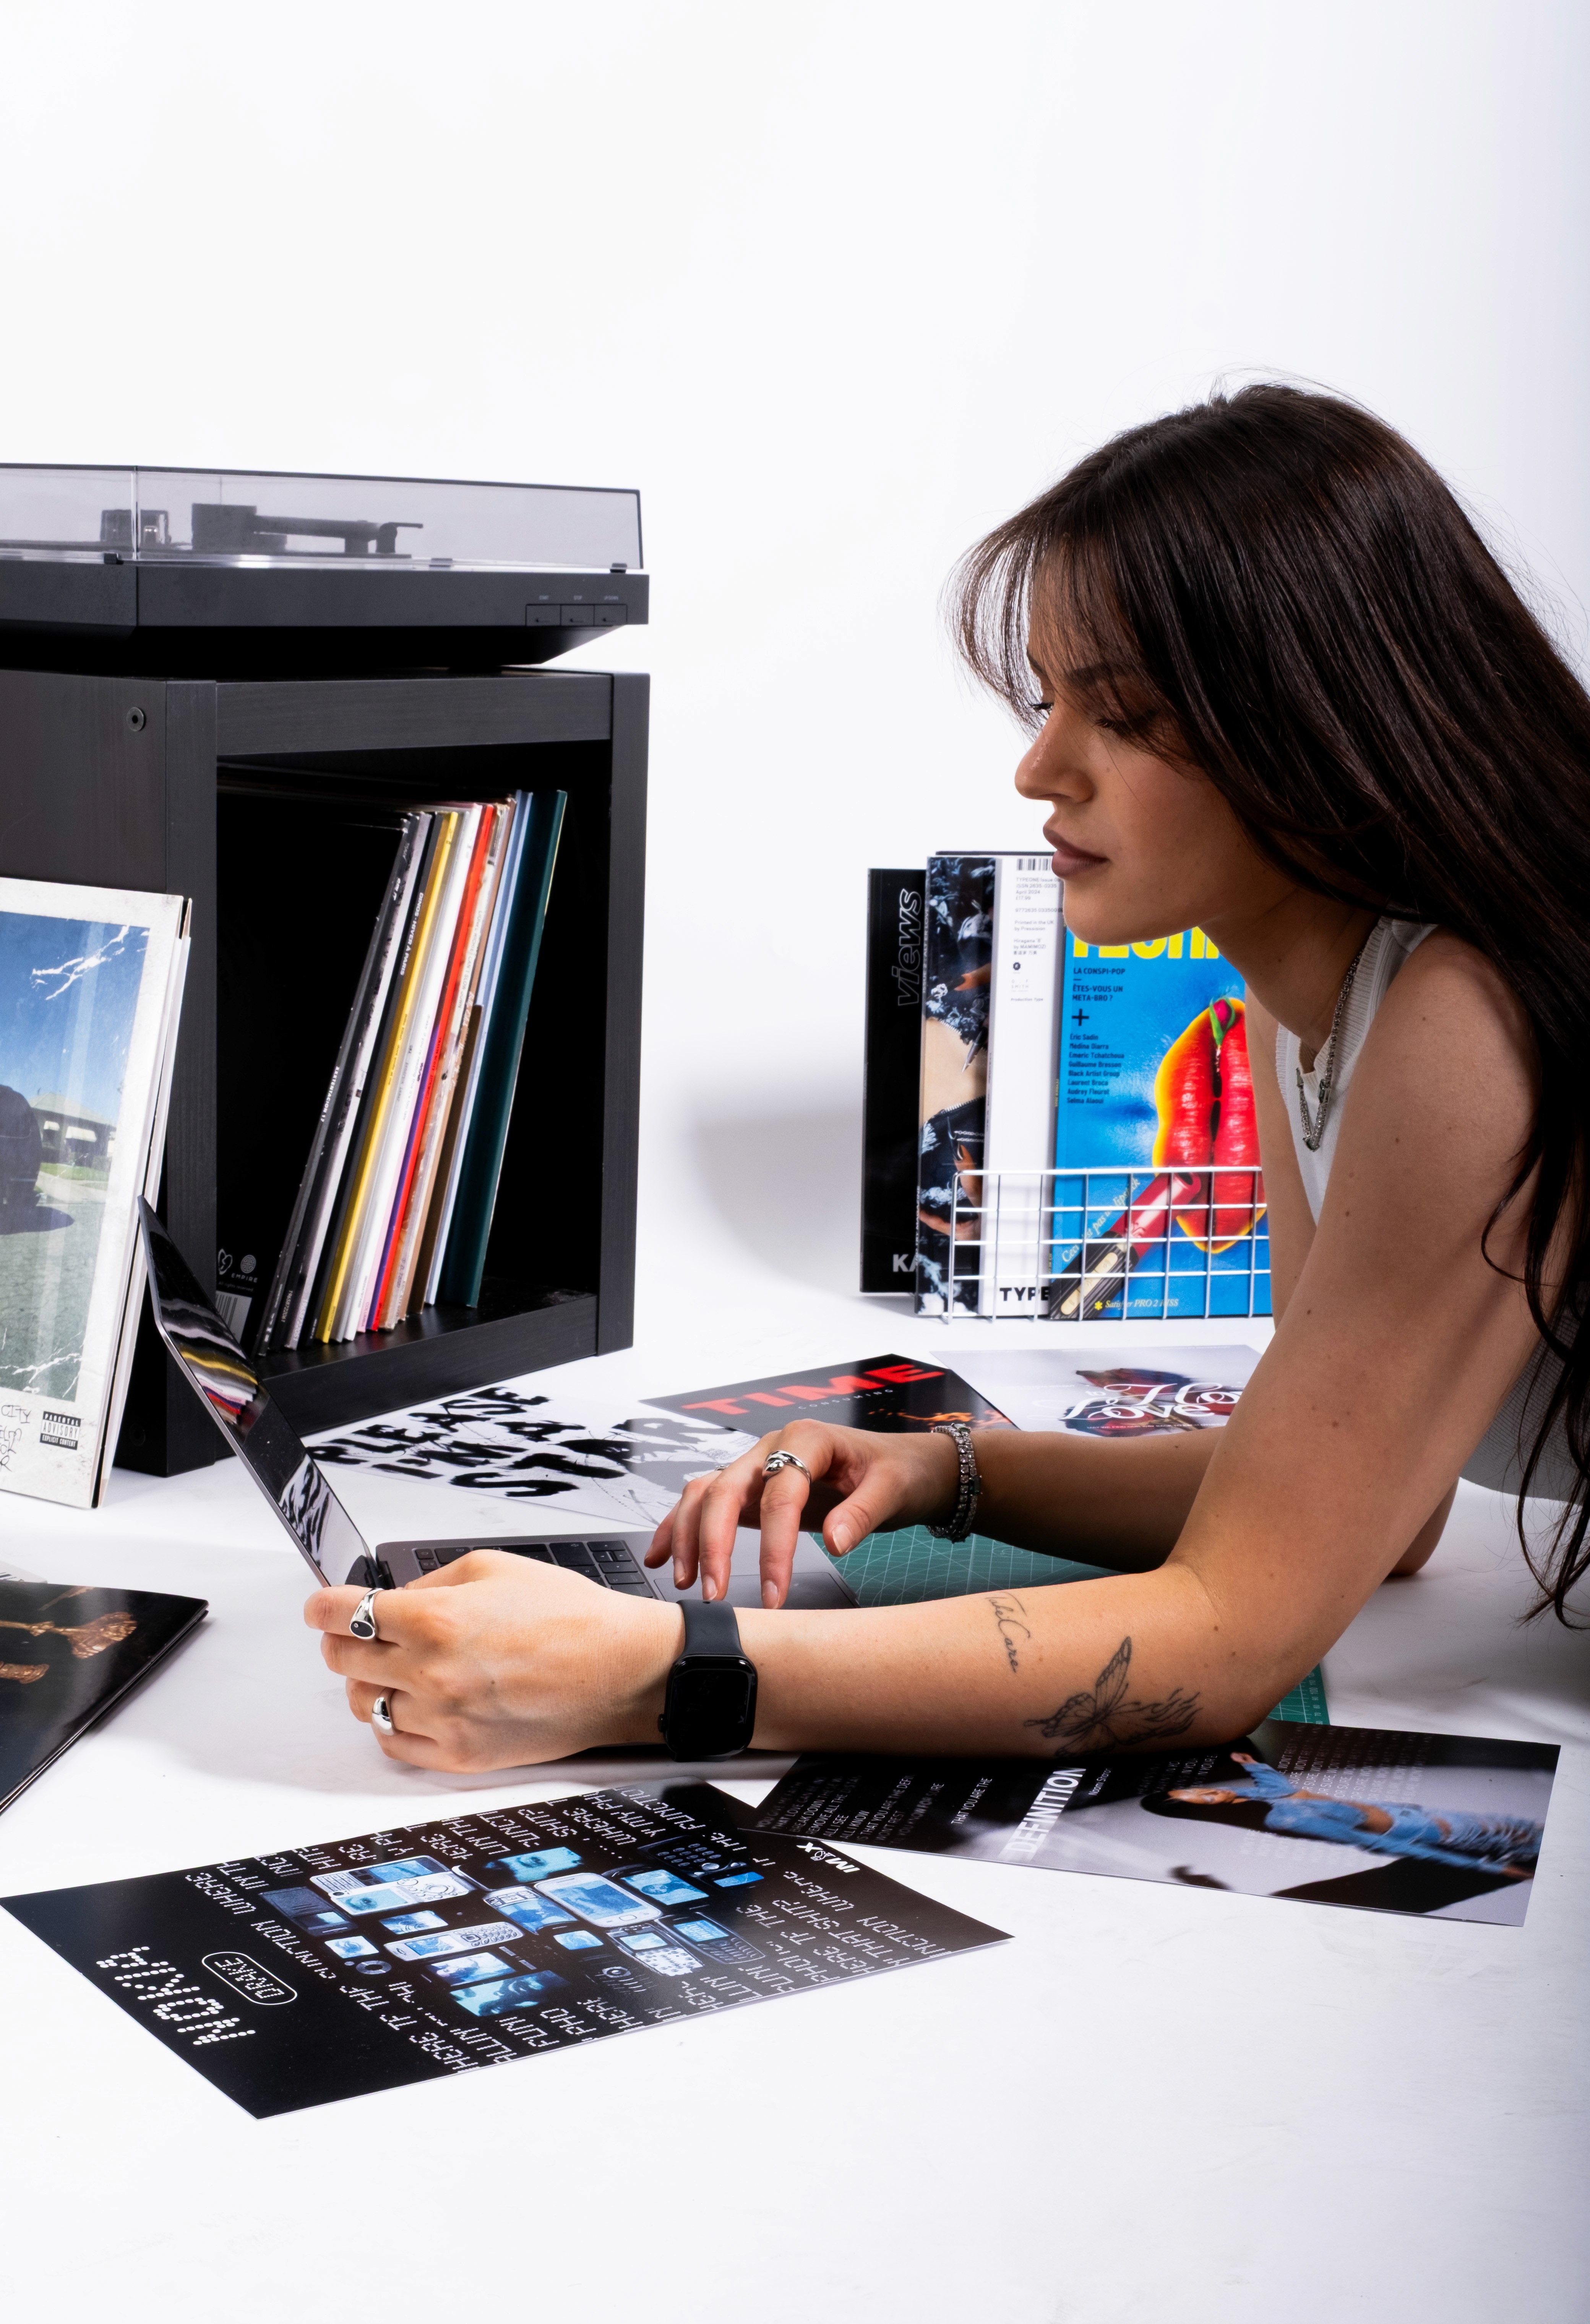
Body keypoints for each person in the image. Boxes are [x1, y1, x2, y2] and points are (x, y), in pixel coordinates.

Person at [308, 384, 1590, 1772]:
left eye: (1127, 715)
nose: (1041, 767)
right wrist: (951, 1472)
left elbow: (1228, 1638)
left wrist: (658, 1672)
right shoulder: (1313, 1006)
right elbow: (1368, 1508)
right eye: (1049, 701)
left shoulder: (1460, 1019)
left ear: (1319, 718)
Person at [1154, 1753, 1542, 1880]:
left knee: (1527, 1829)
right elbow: (1377, 1843)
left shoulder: (1249, 1795)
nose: (1205, 1793)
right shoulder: (1285, 1821)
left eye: (1192, 1788)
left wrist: (1251, 1761)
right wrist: (1490, 1870)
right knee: (1530, 1841)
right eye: (1194, 1800)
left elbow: (1269, 1783)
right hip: (1432, 1831)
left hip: (1423, 1812)